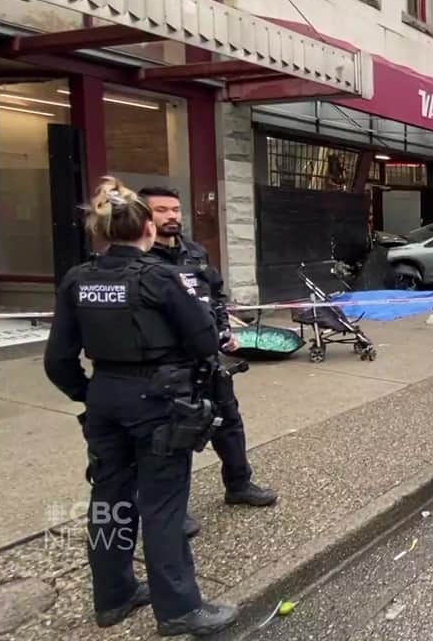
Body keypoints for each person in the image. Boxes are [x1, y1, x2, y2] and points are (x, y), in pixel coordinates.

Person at [43, 177, 239, 635]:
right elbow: (206, 339)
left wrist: (89, 393)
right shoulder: (162, 278)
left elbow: (58, 359)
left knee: (109, 501)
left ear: (102, 231)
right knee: (163, 505)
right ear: (148, 229)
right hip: (158, 401)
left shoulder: (78, 279)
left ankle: (112, 596)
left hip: (104, 399)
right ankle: (178, 608)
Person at [139, 187, 277, 539]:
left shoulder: (195, 254)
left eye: (175, 209)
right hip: (167, 366)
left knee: (228, 421)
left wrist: (224, 329)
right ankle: (173, 509)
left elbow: (215, 296)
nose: (171, 216)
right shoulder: (140, 262)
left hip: (208, 358)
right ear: (144, 217)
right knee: (174, 437)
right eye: (161, 210)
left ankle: (239, 484)